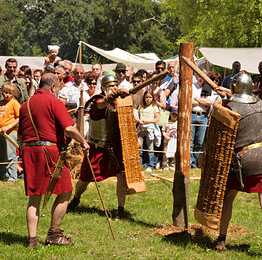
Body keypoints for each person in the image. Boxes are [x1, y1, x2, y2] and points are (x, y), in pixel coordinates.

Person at [211, 73, 262, 260]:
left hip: (241, 161)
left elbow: (224, 112)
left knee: (228, 198)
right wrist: (229, 93)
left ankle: (221, 240)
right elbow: (245, 102)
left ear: (235, 87)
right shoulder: (260, 104)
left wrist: (221, 100)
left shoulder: (230, 107)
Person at [18, 73, 88, 249]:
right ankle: (54, 234)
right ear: (53, 87)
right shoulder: (53, 101)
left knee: (34, 198)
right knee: (65, 191)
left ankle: (32, 241)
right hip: (48, 152)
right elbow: (69, 128)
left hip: (29, 151)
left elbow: (20, 136)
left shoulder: (25, 105)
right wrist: (83, 142)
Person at [67, 74, 130, 219]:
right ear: (103, 88)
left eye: (116, 85)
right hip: (97, 148)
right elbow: (103, 103)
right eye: (111, 86)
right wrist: (117, 92)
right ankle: (76, 199)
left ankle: (120, 208)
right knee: (84, 179)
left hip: (114, 148)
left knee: (121, 176)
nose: (114, 88)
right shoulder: (98, 101)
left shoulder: (120, 103)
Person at [0, 82, 21, 182]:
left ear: (13, 94)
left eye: (10, 93)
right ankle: (0, 174)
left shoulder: (14, 103)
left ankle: (12, 177)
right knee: (0, 154)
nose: (7, 95)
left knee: (11, 154)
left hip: (10, 132)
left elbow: (18, 118)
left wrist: (8, 127)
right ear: (2, 92)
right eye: (5, 92)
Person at [137, 88, 161, 171]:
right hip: (141, 129)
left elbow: (157, 119)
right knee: (139, 147)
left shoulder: (154, 107)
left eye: (150, 97)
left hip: (150, 129)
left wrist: (147, 121)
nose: (148, 99)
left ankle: (150, 165)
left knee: (150, 148)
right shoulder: (141, 107)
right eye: (146, 97)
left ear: (152, 98)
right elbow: (138, 116)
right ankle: (139, 165)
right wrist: (139, 121)